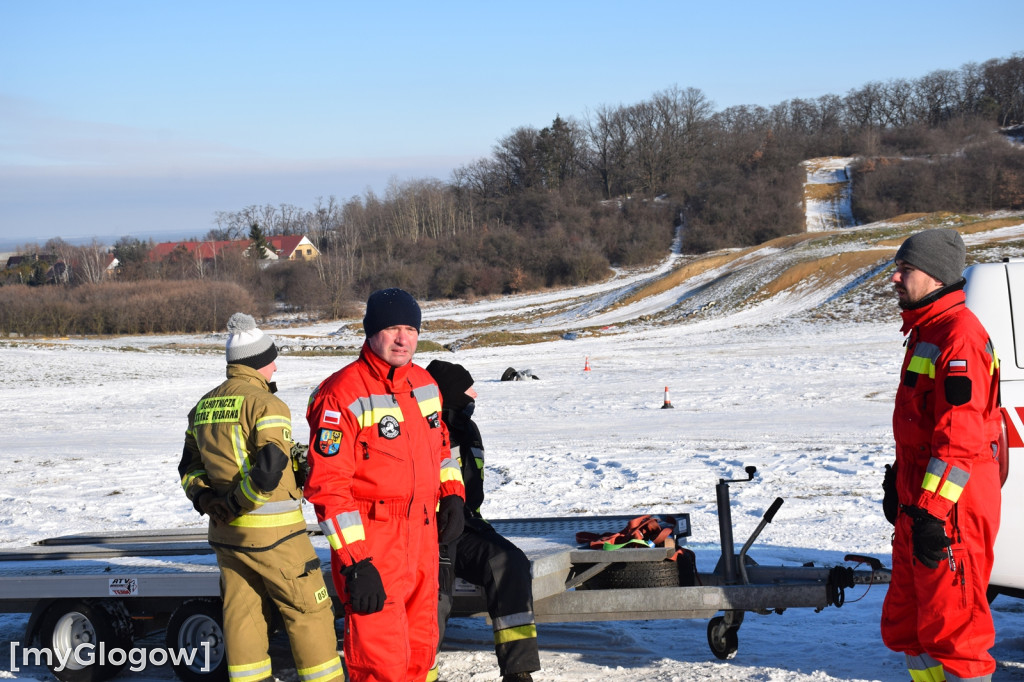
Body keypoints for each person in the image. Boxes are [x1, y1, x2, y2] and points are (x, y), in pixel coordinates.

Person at [304, 288, 466, 682]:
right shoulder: (341, 393)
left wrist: (454, 496)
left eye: (410, 329)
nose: (402, 339)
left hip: (424, 540)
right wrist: (356, 561)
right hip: (375, 545)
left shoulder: (425, 383)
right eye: (392, 328)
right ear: (371, 332)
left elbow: (442, 449)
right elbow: (329, 487)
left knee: (421, 653)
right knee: (381, 662)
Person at [179, 312, 343, 682]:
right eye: (271, 358)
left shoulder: (203, 406)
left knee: (243, 616)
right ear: (258, 362)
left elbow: (189, 468)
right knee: (308, 611)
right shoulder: (267, 404)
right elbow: (269, 468)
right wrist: (239, 502)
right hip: (276, 536)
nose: (274, 365)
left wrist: (209, 502)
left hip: (227, 537)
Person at [881, 228, 1002, 682]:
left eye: (905, 270)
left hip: (951, 511)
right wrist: (901, 483)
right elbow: (923, 428)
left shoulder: (960, 338)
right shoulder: (927, 331)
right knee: (910, 625)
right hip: (923, 504)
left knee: (957, 634)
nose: (895, 278)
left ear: (933, 276)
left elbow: (960, 441)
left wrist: (931, 511)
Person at [426, 360, 540, 682]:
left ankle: (518, 670)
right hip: (429, 530)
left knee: (510, 562)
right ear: (447, 393)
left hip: (468, 526)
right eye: (467, 389)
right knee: (435, 598)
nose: (474, 394)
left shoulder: (468, 428)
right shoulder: (422, 428)